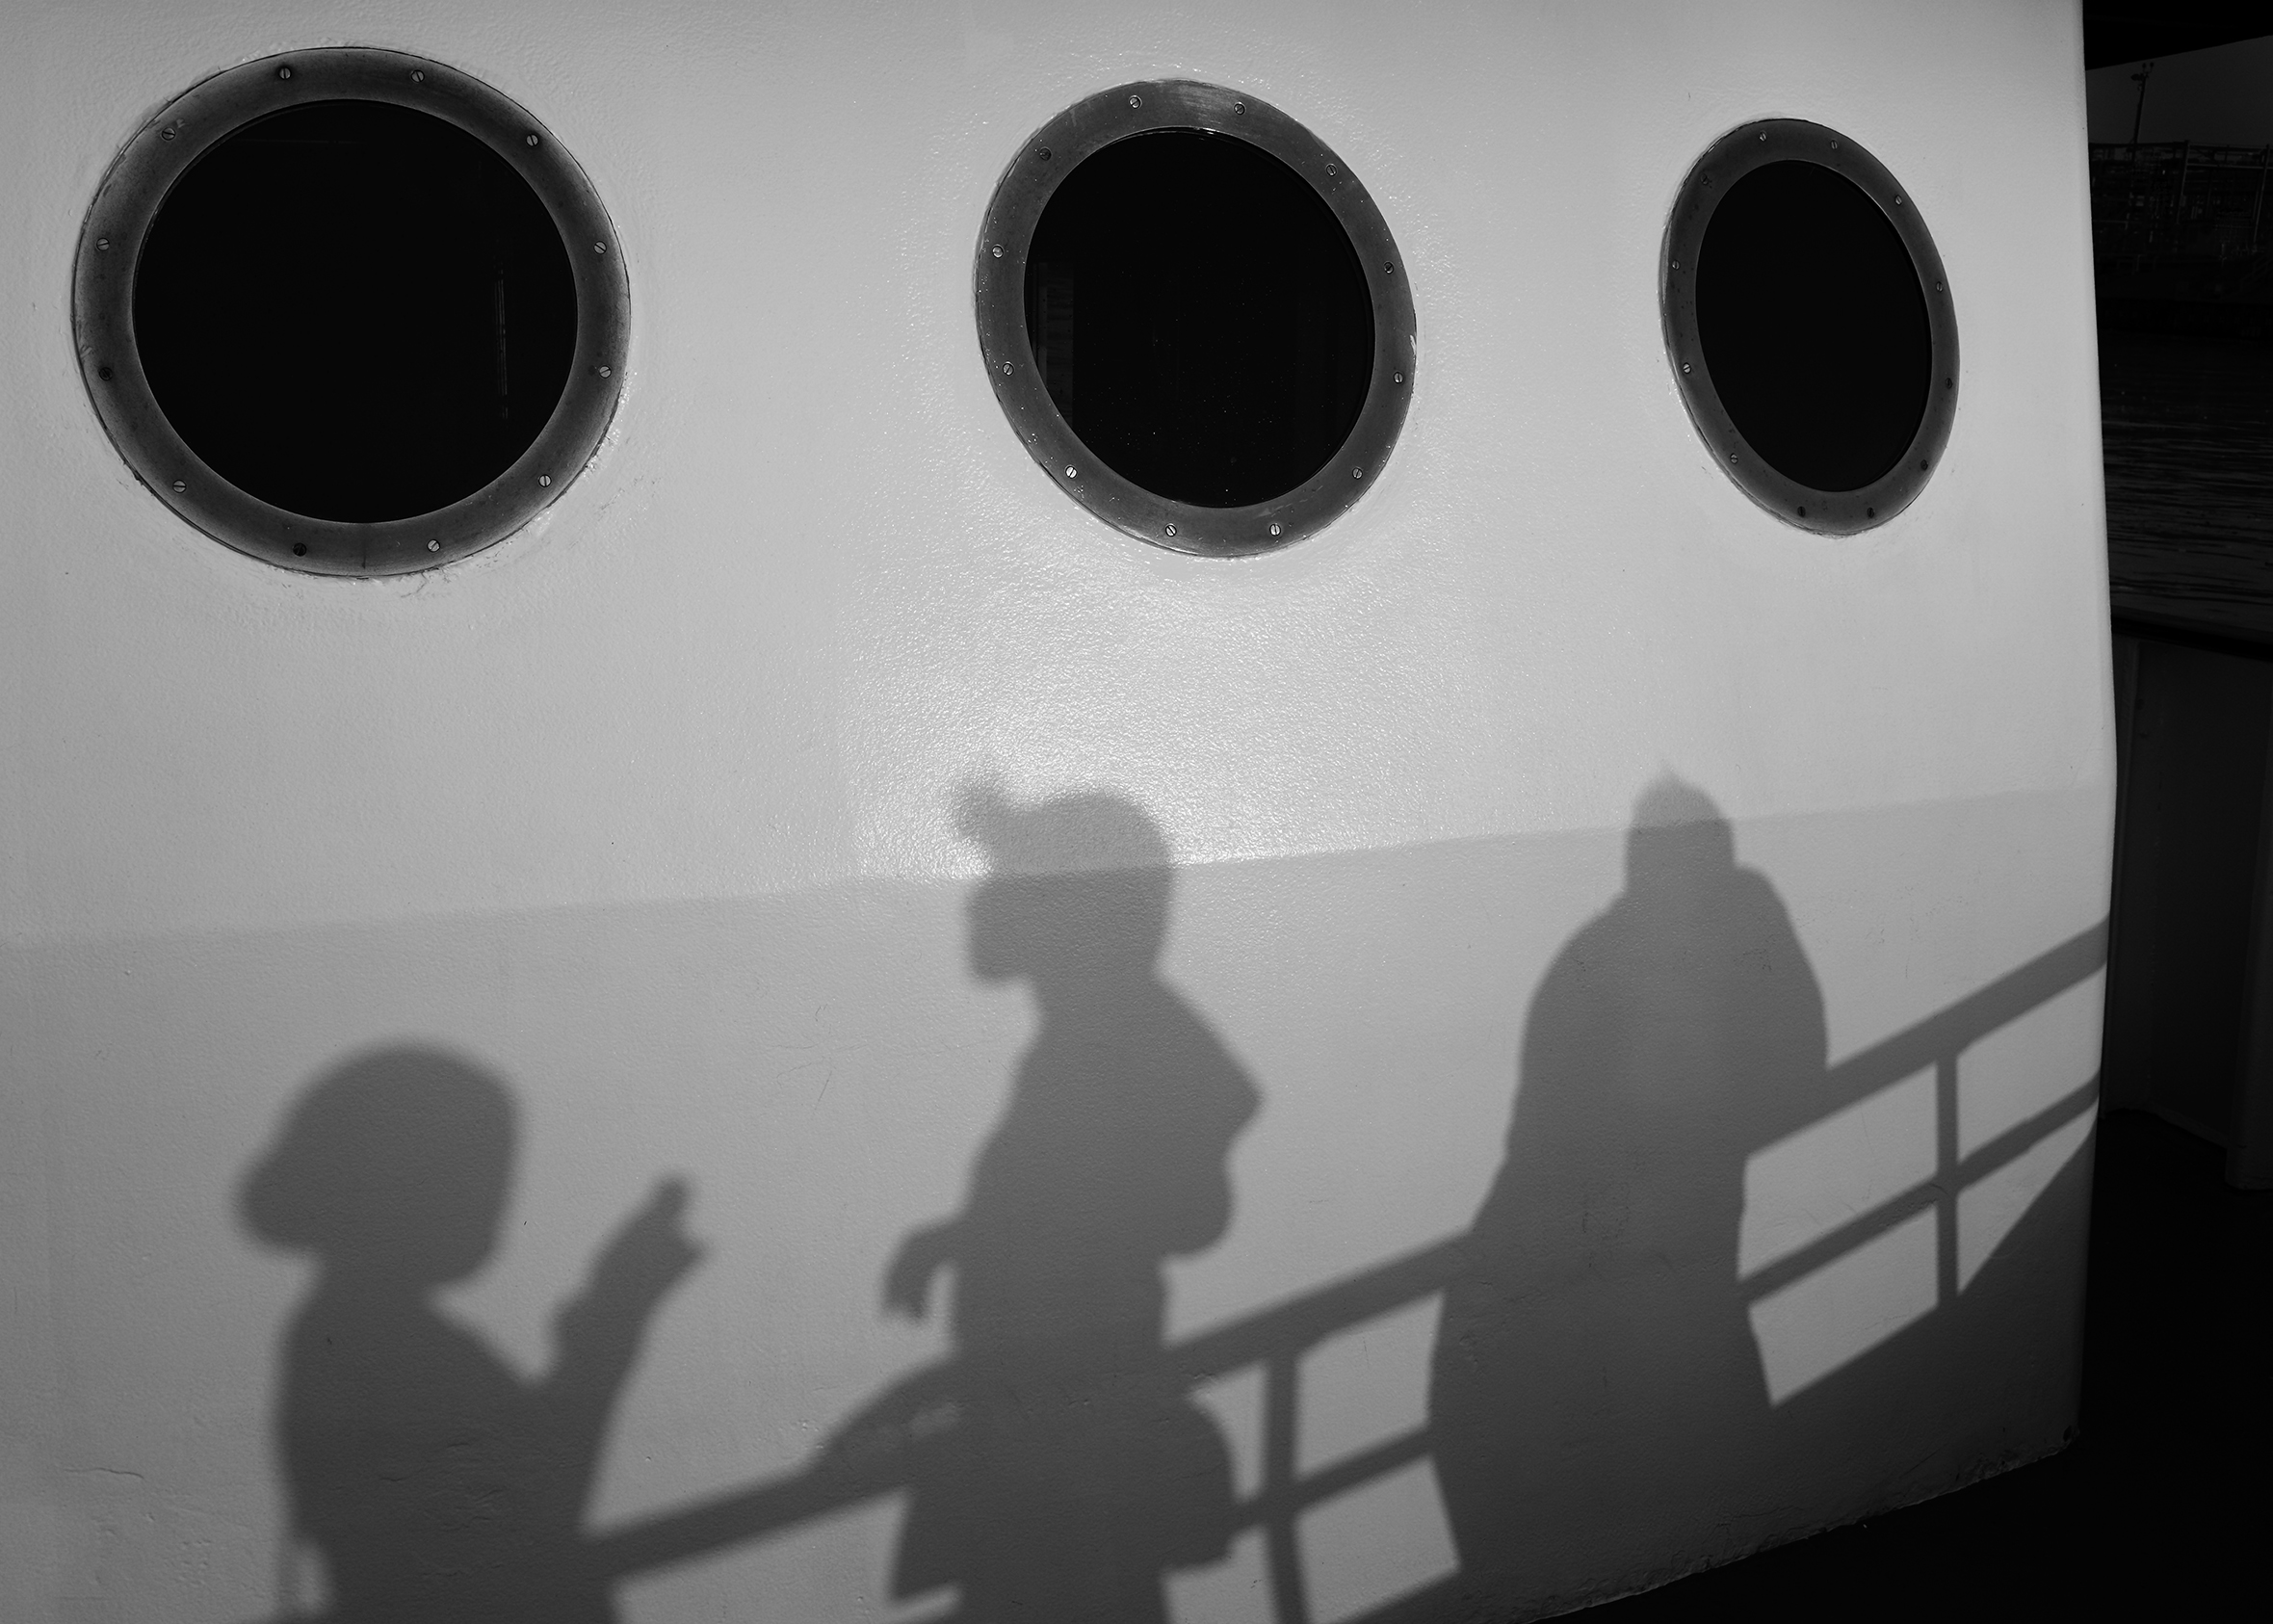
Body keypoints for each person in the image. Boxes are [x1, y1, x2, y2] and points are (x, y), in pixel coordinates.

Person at [834, 786, 1258, 1623]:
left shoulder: (1111, 1048)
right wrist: (965, 1240)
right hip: (1050, 1436)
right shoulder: (1093, 1045)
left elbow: (1170, 1216)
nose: (984, 900)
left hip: (1056, 1451)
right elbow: (1098, 1216)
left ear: (1082, 917)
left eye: (1014, 879)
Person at [239, 1047, 702, 1624]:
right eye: (468, 1173)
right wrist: (609, 1325)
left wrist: (607, 1323)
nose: (492, 1202)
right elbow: (530, 1516)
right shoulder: (369, 1342)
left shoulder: (353, 1333)